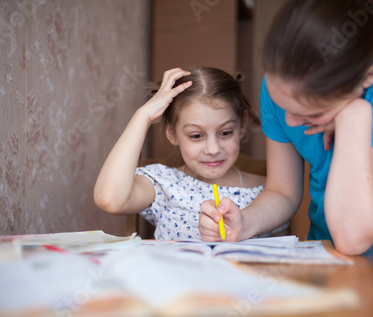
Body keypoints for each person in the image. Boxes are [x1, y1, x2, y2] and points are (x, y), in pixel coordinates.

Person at [199, 0, 373, 258]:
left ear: (366, 79)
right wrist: (245, 223)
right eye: (284, 106)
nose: (291, 123)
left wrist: (354, 116)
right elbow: (283, 191)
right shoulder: (280, 83)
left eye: (313, 114)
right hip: (328, 246)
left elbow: (353, 238)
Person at [94, 67, 288, 240]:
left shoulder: (268, 194)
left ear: (242, 125)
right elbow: (109, 199)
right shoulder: (163, 183)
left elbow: (282, 257)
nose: (213, 149)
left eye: (225, 133)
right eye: (196, 135)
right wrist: (143, 116)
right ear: (171, 132)